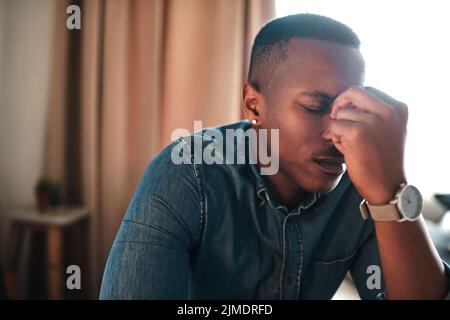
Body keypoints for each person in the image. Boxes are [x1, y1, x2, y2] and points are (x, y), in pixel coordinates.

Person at [100, 13, 450, 299]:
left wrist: (392, 189)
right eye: (315, 106)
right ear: (254, 104)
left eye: (349, 109)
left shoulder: (365, 182)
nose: (337, 132)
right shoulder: (187, 175)